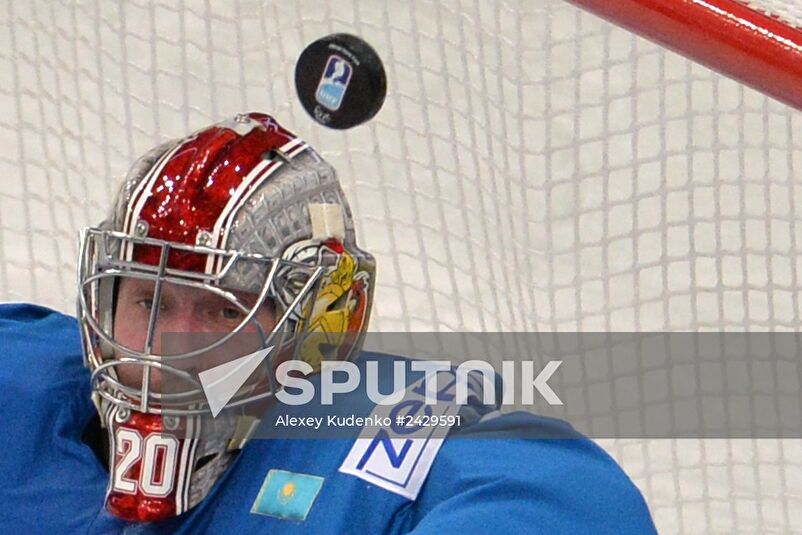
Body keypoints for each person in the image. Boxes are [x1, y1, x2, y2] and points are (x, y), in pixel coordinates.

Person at [0, 112, 657, 534]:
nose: (172, 344)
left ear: (314, 330)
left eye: (225, 309)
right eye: (150, 299)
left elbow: (579, 505)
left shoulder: (391, 424)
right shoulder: (25, 377)